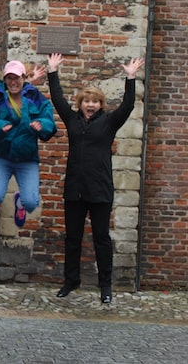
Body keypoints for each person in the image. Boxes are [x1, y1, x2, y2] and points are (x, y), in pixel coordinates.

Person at [47, 53, 144, 304]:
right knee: (73, 238)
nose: (90, 105)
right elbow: (57, 99)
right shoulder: (72, 120)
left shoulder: (109, 122)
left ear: (101, 104)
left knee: (101, 239)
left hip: (100, 189)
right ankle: (71, 280)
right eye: (86, 101)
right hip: (75, 189)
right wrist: (52, 72)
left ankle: (105, 285)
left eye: (95, 102)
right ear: (80, 104)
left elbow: (128, 106)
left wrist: (130, 78)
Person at [0, 59, 57, 228]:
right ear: (4, 79)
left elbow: (49, 119)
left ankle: (19, 203)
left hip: (27, 157)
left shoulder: (35, 96)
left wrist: (41, 125)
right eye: (9, 78)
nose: (13, 82)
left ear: (24, 78)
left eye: (16, 78)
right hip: (2, 155)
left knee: (31, 203)